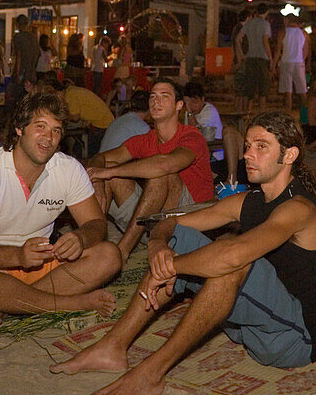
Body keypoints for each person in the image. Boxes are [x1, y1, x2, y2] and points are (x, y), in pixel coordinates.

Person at [51, 112, 316, 395]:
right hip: (254, 328)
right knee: (188, 241)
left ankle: (151, 373)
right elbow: (169, 221)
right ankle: (112, 347)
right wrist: (158, 246)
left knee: (228, 262)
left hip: (295, 339)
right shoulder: (249, 201)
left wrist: (171, 267)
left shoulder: (299, 208)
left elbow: (231, 256)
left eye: (261, 146)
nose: (248, 154)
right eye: (247, 145)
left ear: (289, 156)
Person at [0, 92, 122, 329]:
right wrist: (17, 256)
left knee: (109, 255)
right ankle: (71, 304)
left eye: (56, 130)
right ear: (19, 129)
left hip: (43, 268)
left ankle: (5, 305)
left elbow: (97, 224)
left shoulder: (68, 169)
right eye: (40, 126)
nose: (49, 137)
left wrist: (81, 237)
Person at [87, 78, 214, 260]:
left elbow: (166, 164)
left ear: (179, 106)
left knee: (161, 174)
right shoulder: (146, 138)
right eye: (153, 96)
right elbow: (101, 157)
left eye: (164, 96)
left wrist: (109, 171)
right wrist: (99, 181)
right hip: (153, 221)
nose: (156, 101)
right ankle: (94, 243)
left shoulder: (191, 136)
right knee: (109, 172)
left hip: (192, 220)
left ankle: (121, 252)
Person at [183, 80, 242, 187]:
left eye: (194, 102)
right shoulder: (189, 113)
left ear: (202, 99)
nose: (192, 106)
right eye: (188, 103)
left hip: (216, 155)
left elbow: (197, 133)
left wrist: (190, 113)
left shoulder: (209, 111)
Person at [238, 4, 272, 113]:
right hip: (262, 58)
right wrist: (271, 58)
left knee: (250, 86)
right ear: (266, 12)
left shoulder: (249, 23)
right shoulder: (266, 24)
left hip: (250, 58)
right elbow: (265, 41)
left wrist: (242, 54)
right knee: (263, 87)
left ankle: (247, 112)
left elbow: (238, 38)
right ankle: (262, 112)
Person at [273, 13, 309, 111]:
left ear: (287, 20)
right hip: (299, 63)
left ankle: (288, 112)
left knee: (287, 91)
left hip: (286, 62)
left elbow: (277, 50)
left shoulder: (283, 32)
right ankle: (306, 114)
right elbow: (305, 51)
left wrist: (274, 65)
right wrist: (302, 61)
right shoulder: (303, 33)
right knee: (303, 91)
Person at [99, 89, 151, 154]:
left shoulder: (119, 120)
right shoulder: (141, 127)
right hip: (114, 162)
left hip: (102, 160)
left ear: (130, 105)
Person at [230, 9, 252, 114]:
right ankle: (239, 109)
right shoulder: (240, 28)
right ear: (248, 17)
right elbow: (236, 43)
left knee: (242, 87)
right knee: (240, 87)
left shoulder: (238, 28)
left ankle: (239, 109)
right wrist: (240, 58)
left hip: (239, 60)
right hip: (241, 60)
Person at [11, 14, 41, 86]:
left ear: (17, 24)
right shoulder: (34, 38)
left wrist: (18, 73)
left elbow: (19, 56)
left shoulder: (18, 37)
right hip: (32, 72)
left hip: (22, 72)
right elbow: (38, 55)